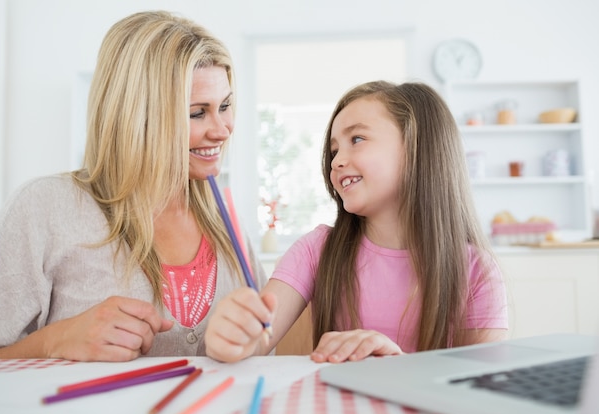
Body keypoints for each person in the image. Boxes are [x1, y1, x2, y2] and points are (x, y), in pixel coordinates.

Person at [0, 10, 266, 362]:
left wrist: (252, 340)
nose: (222, 130)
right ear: (139, 115)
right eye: (197, 112)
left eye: (225, 106)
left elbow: (263, 341)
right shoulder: (45, 208)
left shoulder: (225, 219)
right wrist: (55, 341)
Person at [205, 80, 508, 363]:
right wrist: (232, 337)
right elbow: (257, 339)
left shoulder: (475, 271)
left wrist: (397, 367)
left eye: (357, 139)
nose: (335, 160)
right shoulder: (315, 250)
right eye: (334, 149)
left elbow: (483, 392)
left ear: (417, 147)